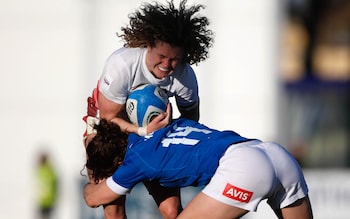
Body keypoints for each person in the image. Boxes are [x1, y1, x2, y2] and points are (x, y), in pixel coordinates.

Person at [82, 0, 213, 218]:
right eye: (162, 57)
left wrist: (164, 130)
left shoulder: (185, 76)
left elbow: (191, 121)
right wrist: (143, 131)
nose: (167, 65)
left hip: (152, 135)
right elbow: (108, 119)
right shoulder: (122, 65)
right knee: (114, 211)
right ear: (148, 45)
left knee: (172, 211)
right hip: (106, 131)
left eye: (174, 60)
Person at [83, 113, 313, 219]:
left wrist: (93, 176)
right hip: (276, 155)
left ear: (117, 162)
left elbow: (93, 198)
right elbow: (170, 210)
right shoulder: (161, 128)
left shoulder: (135, 160)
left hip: (243, 168)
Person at [36, 152, 58, 219]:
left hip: (48, 201)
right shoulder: (40, 171)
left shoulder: (49, 171)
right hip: (43, 201)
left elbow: (54, 184)